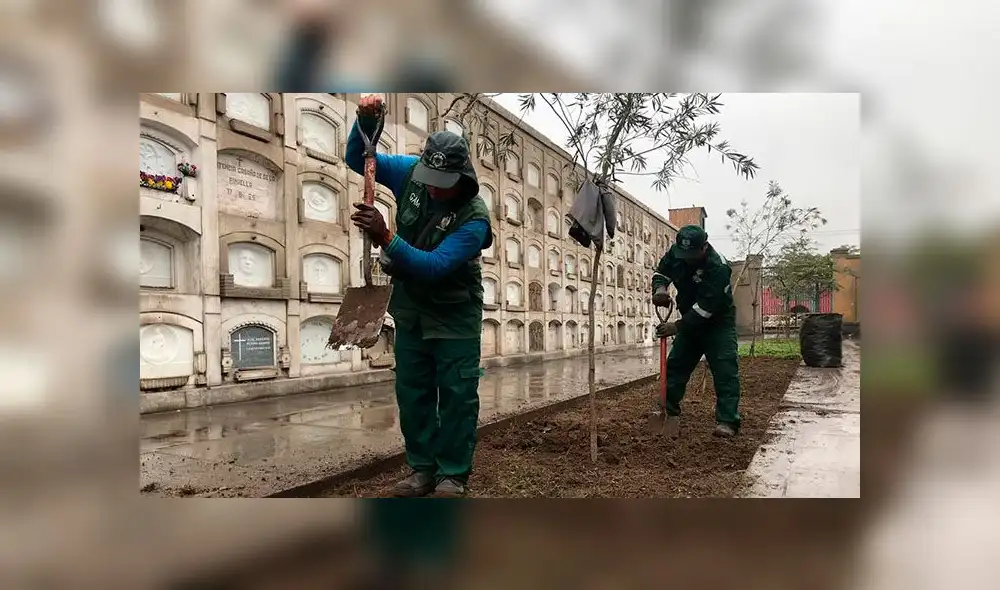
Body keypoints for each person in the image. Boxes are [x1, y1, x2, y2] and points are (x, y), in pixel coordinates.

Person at [347, 94, 492, 498]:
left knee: (457, 396)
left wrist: (385, 236)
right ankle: (422, 469)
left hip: (454, 314)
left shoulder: (475, 219)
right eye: (430, 179)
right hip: (411, 310)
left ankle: (453, 475)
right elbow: (360, 159)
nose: (433, 189)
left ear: (461, 176)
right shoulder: (411, 172)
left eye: (443, 184)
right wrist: (365, 120)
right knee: (413, 393)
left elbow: (433, 266)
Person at [651, 225, 741, 439]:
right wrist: (660, 289)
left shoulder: (718, 267)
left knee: (725, 370)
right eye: (684, 255)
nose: (687, 259)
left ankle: (728, 420)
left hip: (717, 324)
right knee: (676, 366)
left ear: (704, 247)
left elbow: (706, 309)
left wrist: (676, 327)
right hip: (689, 320)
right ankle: (667, 410)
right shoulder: (676, 253)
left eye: (691, 255)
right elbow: (661, 272)